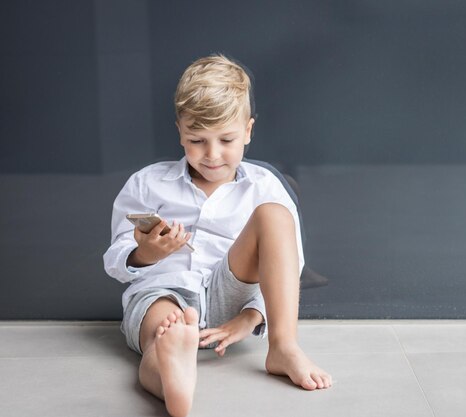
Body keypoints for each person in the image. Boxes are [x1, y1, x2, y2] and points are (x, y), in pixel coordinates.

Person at [103, 53, 332, 417]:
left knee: (275, 215)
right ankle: (169, 373)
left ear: (248, 131)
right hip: (164, 289)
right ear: (179, 130)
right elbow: (116, 258)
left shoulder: (262, 185)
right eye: (197, 140)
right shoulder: (148, 183)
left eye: (226, 139)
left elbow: (289, 264)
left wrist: (252, 316)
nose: (211, 155)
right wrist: (146, 253)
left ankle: (284, 347)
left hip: (232, 291)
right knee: (159, 330)